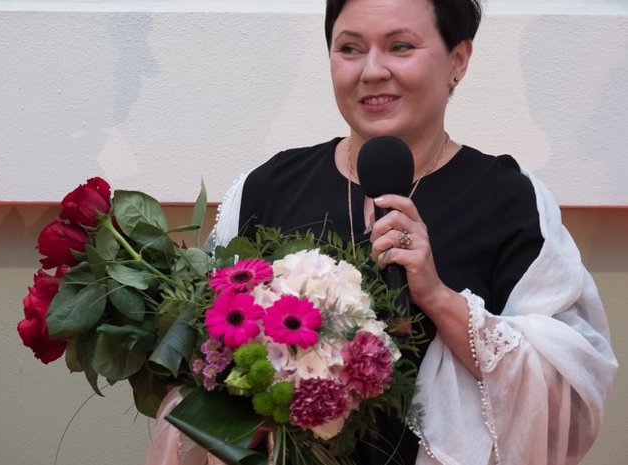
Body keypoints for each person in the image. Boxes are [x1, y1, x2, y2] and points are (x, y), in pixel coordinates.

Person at [153, 0, 617, 464]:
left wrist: (437, 297)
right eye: (350, 49)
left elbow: (568, 396)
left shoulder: (509, 200)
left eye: (400, 47)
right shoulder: (269, 188)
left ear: (458, 60)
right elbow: (201, 365)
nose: (372, 71)